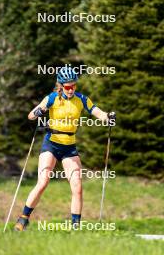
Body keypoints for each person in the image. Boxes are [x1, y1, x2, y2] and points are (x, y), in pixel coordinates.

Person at [14, 67, 115, 231]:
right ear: (60, 86)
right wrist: (39, 111)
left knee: (77, 186)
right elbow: (31, 115)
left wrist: (107, 117)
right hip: (51, 144)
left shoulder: (81, 99)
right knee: (43, 181)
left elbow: (97, 111)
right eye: (67, 87)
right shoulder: (52, 98)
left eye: (73, 86)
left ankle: (75, 228)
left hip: (69, 147)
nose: (71, 89)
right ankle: (23, 218)